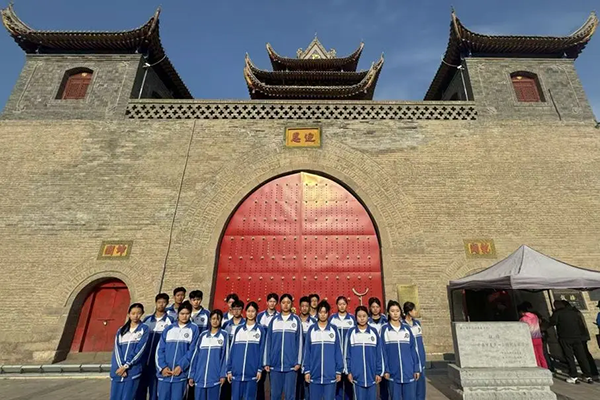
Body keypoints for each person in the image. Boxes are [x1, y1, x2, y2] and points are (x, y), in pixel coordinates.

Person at [156, 301, 200, 400]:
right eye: (182, 313)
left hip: (180, 375)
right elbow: (160, 349)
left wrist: (181, 366)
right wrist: (163, 367)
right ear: (178, 314)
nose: (184, 316)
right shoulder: (169, 329)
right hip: (165, 375)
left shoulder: (194, 329)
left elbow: (192, 351)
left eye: (187, 314)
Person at [264, 293, 303, 400]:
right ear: (280, 304)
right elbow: (268, 341)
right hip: (275, 365)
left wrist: (298, 362)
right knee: (275, 395)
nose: (286, 305)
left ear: (292, 304)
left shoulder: (296, 320)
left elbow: (300, 342)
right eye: (283, 302)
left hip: (291, 366)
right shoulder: (274, 320)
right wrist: (267, 361)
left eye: (288, 303)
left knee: (290, 396)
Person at [302, 300, 343, 400]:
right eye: (320, 312)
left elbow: (338, 351)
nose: (323, 315)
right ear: (317, 313)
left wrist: (339, 370)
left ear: (328, 313)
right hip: (314, 374)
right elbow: (307, 351)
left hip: (330, 375)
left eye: (325, 312)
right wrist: (307, 370)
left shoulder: (334, 329)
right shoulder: (312, 329)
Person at [137, 294, 174, 400]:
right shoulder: (147, 320)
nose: (161, 305)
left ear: (167, 304)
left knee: (154, 391)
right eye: (159, 302)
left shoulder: (170, 321)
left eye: (164, 302)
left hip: (157, 362)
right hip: (144, 361)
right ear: (155, 303)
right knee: (140, 390)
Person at [381, 301, 420, 400]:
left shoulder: (407, 329)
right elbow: (382, 352)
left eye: (397, 311)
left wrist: (416, 368)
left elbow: (413, 349)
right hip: (393, 372)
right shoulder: (384, 329)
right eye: (392, 311)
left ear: (401, 312)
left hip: (408, 371)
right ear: (388, 312)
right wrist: (385, 369)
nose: (395, 313)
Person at [110, 303, 150, 400]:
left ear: (142, 314)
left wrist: (126, 366)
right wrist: (121, 366)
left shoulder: (144, 329)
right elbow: (117, 350)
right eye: (133, 313)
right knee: (115, 396)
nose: (136, 316)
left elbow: (140, 350)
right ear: (128, 314)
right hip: (118, 370)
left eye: (138, 313)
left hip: (132, 370)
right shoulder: (121, 330)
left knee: (128, 397)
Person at [227, 302, 266, 400]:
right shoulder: (239, 329)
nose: (250, 313)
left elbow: (262, 351)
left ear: (256, 312)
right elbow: (232, 350)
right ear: (245, 312)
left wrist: (259, 369)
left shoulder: (260, 330)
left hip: (252, 373)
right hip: (236, 373)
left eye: (253, 311)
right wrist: (229, 369)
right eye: (248, 311)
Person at [549, 300, 593, 384]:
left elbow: (552, 322)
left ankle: (573, 376)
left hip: (565, 338)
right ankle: (587, 375)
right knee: (581, 356)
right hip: (577, 337)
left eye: (556, 305)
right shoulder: (574, 312)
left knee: (569, 357)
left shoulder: (558, 313)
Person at [189, 310, 229, 400]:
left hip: (214, 378)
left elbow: (225, 357)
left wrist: (223, 374)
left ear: (221, 320)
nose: (215, 321)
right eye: (213, 319)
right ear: (210, 320)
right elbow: (195, 356)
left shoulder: (224, 335)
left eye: (218, 319)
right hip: (199, 378)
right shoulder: (202, 335)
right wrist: (192, 375)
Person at [346, 306, 384, 400]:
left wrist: (379, 372)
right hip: (357, 377)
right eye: (359, 316)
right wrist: (349, 371)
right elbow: (347, 353)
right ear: (356, 317)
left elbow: (379, 353)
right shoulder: (351, 332)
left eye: (364, 316)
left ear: (368, 317)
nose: (362, 318)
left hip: (372, 376)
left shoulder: (373, 332)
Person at [329, 296, 355, 400]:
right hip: (336, 356)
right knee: (337, 383)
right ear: (337, 305)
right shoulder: (332, 319)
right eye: (340, 304)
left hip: (349, 355)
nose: (342, 306)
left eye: (344, 304)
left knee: (349, 383)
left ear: (347, 305)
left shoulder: (352, 319)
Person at [403, 302, 426, 400]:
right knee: (411, 388)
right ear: (409, 312)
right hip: (410, 361)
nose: (416, 312)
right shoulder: (402, 325)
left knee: (421, 387)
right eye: (414, 310)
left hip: (420, 358)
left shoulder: (417, 324)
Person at [257, 294, 278, 400]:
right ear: (267, 302)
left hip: (272, 352)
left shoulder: (278, 317)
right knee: (259, 380)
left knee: (273, 383)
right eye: (270, 301)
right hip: (260, 351)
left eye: (274, 301)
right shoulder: (260, 316)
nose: (272, 303)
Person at [517, 302, 548, 369]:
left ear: (521, 311)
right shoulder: (535, 316)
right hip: (538, 338)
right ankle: (545, 367)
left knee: (535, 356)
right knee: (541, 355)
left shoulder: (523, 319)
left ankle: (539, 368)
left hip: (530, 339)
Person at [297, 296, 316, 400]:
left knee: (308, 386)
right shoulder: (295, 320)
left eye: (306, 306)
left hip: (310, 360)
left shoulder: (314, 322)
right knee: (297, 386)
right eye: (302, 306)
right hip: (297, 360)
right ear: (299, 307)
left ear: (310, 307)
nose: (304, 308)